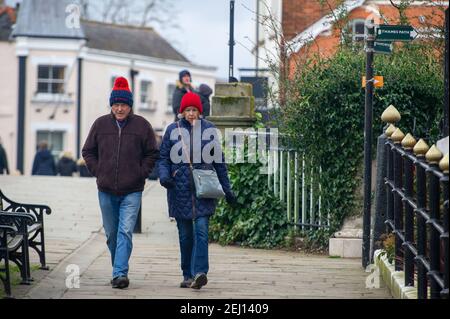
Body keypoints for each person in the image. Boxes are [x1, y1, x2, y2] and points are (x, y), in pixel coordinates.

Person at [82, 76, 159, 289]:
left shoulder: (142, 126)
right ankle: (119, 268)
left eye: (123, 104)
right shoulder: (100, 124)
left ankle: (119, 273)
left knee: (125, 231)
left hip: (132, 190)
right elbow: (88, 151)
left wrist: (141, 173)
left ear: (130, 105)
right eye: (116, 104)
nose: (119, 108)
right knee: (111, 234)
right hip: (105, 189)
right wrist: (98, 171)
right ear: (111, 105)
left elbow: (152, 153)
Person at [158, 91, 237, 289]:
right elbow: (164, 158)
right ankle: (187, 274)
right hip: (180, 190)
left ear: (200, 112)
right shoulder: (172, 130)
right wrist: (165, 176)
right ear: (182, 112)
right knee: (185, 236)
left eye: (194, 110)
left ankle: (200, 272)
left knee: (201, 232)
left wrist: (227, 190)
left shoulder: (209, 130)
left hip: (204, 190)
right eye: (188, 110)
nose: (191, 113)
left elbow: (219, 162)